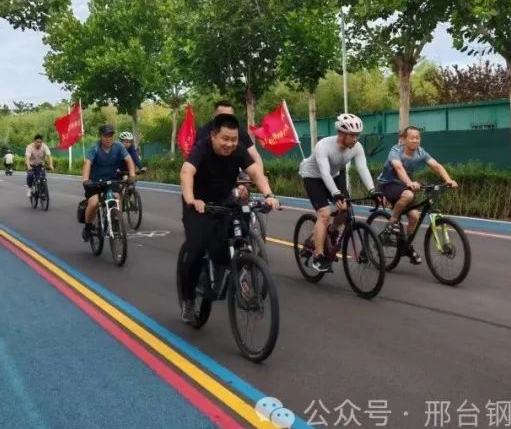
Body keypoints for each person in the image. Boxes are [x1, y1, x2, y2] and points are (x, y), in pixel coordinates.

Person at [179, 114, 280, 323]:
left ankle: (237, 271)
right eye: (225, 139)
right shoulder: (201, 148)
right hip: (199, 204)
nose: (230, 144)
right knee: (196, 250)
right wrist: (191, 199)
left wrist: (269, 195)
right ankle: (188, 298)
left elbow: (256, 173)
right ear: (213, 136)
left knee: (239, 233)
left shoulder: (239, 150)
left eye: (234, 139)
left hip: (225, 201)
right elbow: (186, 172)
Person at [298, 113, 384, 273]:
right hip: (313, 177)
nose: (355, 139)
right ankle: (318, 256)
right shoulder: (323, 146)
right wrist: (336, 193)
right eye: (351, 135)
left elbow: (362, 168)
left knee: (345, 209)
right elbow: (324, 173)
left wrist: (373, 190)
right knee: (324, 214)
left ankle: (331, 232)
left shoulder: (357, 147)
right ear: (341, 133)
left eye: (357, 135)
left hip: (335, 175)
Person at [377, 126, 458, 265]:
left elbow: (436, 166)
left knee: (415, 217)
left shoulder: (421, 152)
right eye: (412, 138)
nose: (415, 140)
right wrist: (409, 183)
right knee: (408, 195)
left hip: (404, 185)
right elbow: (398, 168)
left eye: (417, 138)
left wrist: (448, 180)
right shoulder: (396, 150)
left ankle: (405, 245)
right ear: (403, 139)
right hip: (388, 184)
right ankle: (392, 223)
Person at [81, 125, 136, 240]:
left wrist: (132, 175)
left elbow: (129, 160)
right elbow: (87, 163)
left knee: (117, 197)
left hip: (111, 180)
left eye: (110, 136)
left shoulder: (119, 146)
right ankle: (87, 227)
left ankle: (117, 222)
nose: (108, 138)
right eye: (105, 136)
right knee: (94, 203)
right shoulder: (95, 148)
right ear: (100, 136)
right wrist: (85, 179)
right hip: (94, 182)